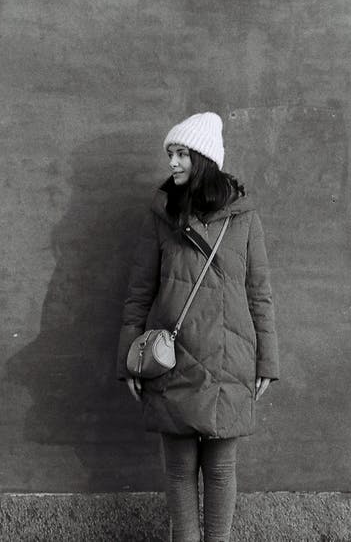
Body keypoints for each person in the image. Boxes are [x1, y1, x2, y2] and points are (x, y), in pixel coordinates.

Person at [117, 112, 280, 542]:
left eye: (182, 154)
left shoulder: (244, 219)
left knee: (221, 471)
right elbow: (139, 290)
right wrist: (128, 359)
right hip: (171, 360)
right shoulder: (162, 214)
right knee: (179, 472)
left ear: (204, 158)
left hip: (231, 359)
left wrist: (267, 360)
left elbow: (259, 293)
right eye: (170, 153)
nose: (172, 163)